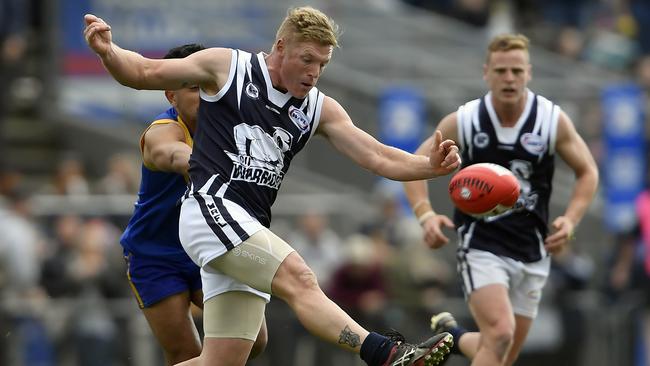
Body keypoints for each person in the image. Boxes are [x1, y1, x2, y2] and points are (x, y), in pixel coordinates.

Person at [84, 6, 461, 366]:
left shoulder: (317, 107)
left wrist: (428, 165)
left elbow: (377, 156)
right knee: (300, 278)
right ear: (280, 47)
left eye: (323, 64)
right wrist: (108, 51)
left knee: (225, 359)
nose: (314, 73)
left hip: (243, 225)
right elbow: (145, 72)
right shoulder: (229, 67)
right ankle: (384, 353)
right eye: (307, 59)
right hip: (210, 210)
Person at [403, 34, 599, 366]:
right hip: (482, 242)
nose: (509, 78)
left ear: (529, 73)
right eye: (501, 70)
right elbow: (416, 165)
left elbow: (588, 172)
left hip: (533, 246)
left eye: (516, 71)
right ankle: (457, 335)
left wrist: (571, 220)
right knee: (500, 334)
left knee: (502, 354)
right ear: (486, 73)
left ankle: (454, 335)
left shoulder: (550, 120)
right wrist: (425, 214)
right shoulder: (465, 120)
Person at [119, 44, 268, 365]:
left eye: (208, 86)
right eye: (192, 87)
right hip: (155, 255)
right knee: (185, 352)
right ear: (171, 96)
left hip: (208, 247)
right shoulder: (164, 129)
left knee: (254, 341)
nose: (203, 94)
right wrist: (206, 165)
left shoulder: (233, 127)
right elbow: (169, 154)